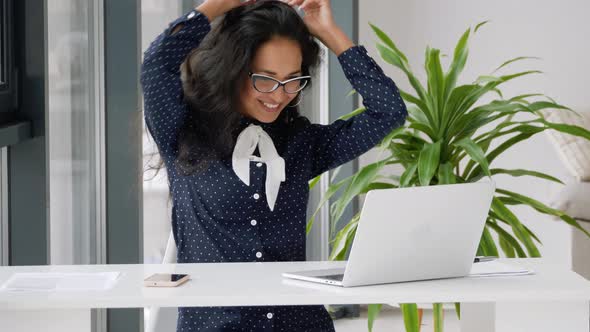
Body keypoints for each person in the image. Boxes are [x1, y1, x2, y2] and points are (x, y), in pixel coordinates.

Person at [141, 0, 407, 330]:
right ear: (233, 70)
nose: (279, 95)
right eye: (265, 79)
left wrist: (331, 34)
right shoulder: (182, 132)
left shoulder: (300, 142)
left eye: (292, 80)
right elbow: (156, 64)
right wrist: (222, 4)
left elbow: (389, 112)